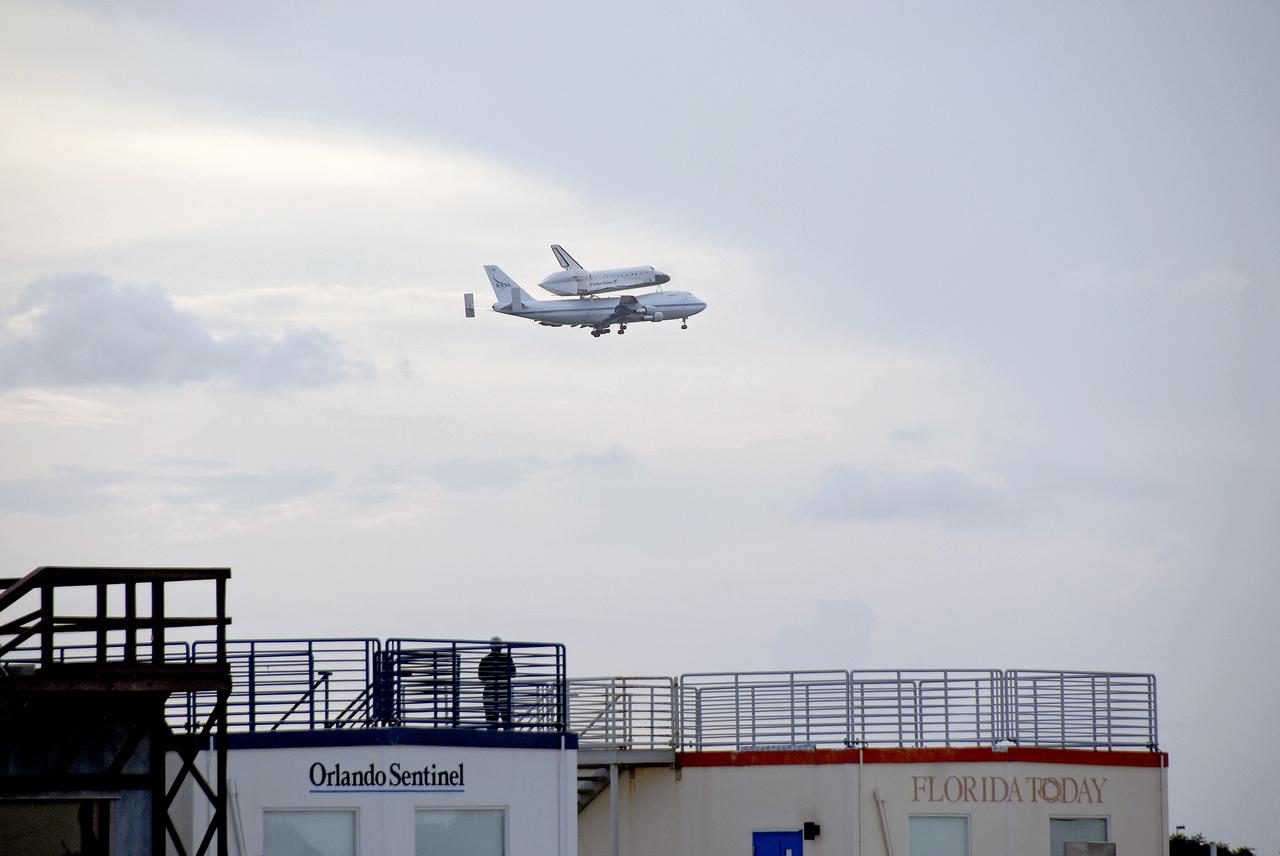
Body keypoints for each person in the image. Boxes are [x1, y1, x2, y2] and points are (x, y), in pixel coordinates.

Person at [478, 636, 515, 729]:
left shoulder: (485, 660)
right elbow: (513, 673)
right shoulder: (507, 658)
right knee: (507, 722)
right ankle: (508, 739)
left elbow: (481, 677)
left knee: (491, 723)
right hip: (504, 693)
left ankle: (491, 739)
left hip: (489, 693)